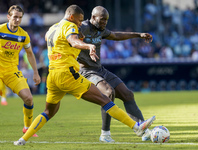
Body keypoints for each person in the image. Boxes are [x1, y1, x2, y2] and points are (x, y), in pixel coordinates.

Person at [14, 5, 155, 145]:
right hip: (72, 73)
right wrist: (88, 46)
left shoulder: (53, 28)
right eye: (79, 20)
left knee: (48, 112)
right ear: (72, 17)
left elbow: (47, 38)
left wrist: (138, 34)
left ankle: (23, 139)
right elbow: (73, 41)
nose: (80, 23)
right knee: (106, 97)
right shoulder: (73, 27)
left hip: (54, 75)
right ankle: (133, 128)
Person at [77, 6, 153, 142]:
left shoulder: (100, 30)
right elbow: (68, 38)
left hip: (99, 69)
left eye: (106, 20)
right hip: (85, 71)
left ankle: (144, 131)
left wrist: (138, 35)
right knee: (108, 92)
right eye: (102, 20)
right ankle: (105, 134)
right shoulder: (81, 28)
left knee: (127, 94)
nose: (104, 23)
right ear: (93, 17)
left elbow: (116, 35)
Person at [0, 5, 41, 136]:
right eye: (15, 17)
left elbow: (29, 53)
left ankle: (27, 128)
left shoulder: (24, 35)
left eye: (20, 18)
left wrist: (35, 72)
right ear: (8, 17)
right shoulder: (0, 30)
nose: (17, 20)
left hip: (12, 71)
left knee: (29, 98)